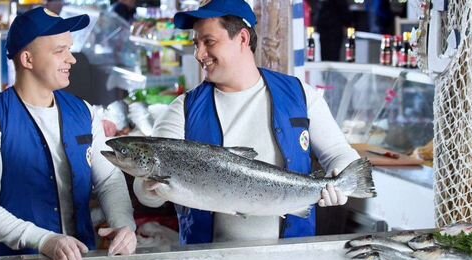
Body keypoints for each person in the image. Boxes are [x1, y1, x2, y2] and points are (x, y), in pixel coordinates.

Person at [133, 0, 361, 245]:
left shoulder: (300, 95)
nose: (199, 54)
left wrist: (340, 179)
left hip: (291, 258)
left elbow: (339, 153)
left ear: (242, 38)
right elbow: (145, 190)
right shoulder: (183, 109)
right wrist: (149, 189)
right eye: (196, 44)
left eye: (208, 42)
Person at [0, 7, 137, 260]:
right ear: (28, 59)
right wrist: (43, 240)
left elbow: (109, 178)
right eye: (59, 51)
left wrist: (124, 225)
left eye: (70, 48)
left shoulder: (83, 112)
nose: (72, 59)